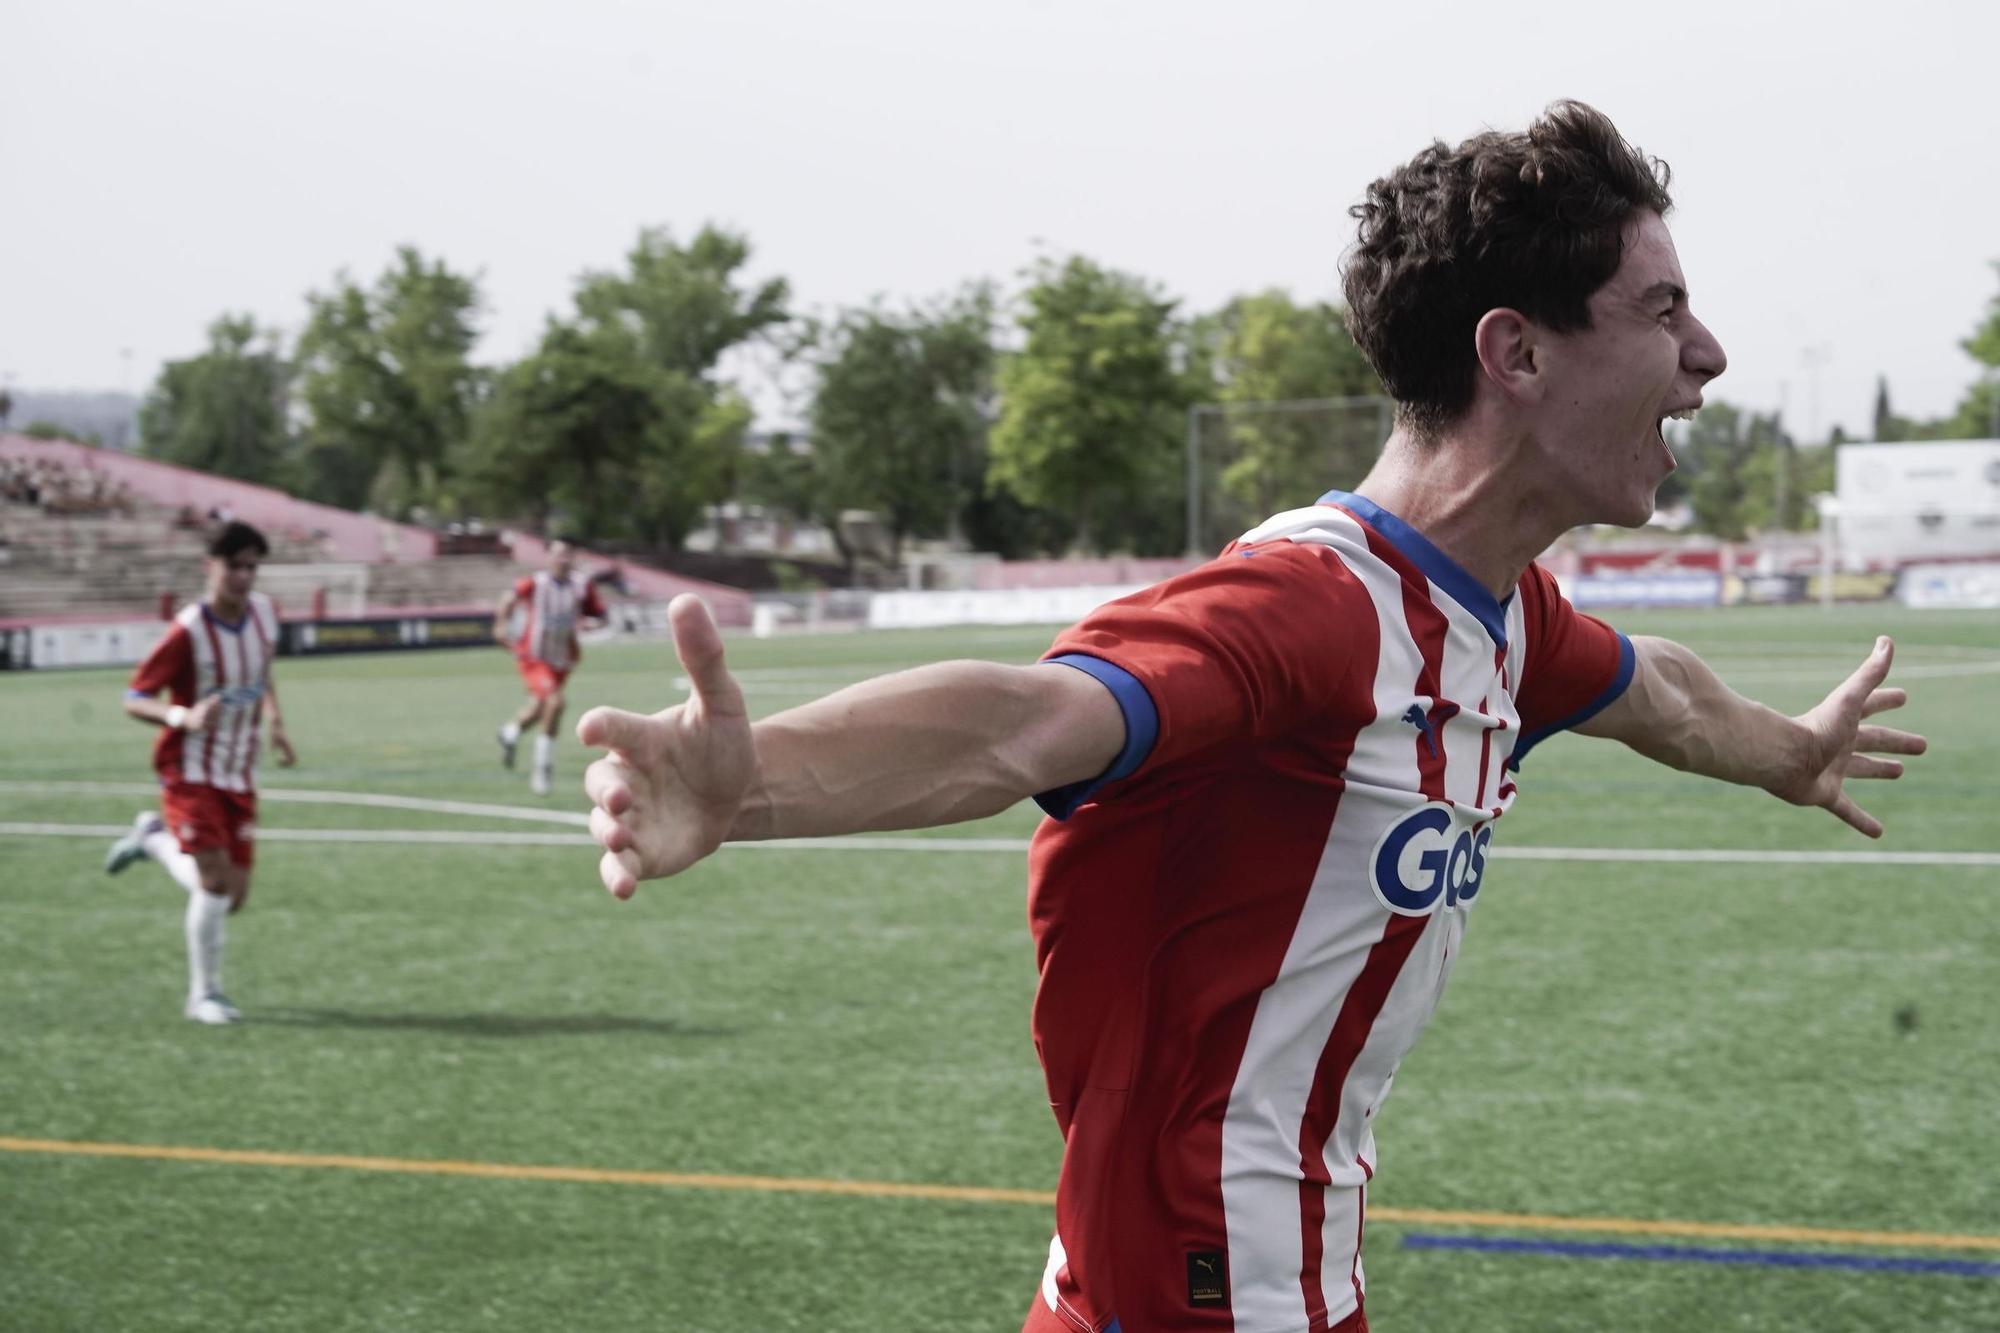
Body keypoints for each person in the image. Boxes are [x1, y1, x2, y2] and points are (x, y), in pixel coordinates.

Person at [573, 102, 1928, 1332]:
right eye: (1662, 308)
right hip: (1198, 1289)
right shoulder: (1315, 612)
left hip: (1259, 1278)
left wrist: (1789, 753)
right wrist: (749, 791)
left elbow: (1665, 694)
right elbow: (1026, 723)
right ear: (1515, 352)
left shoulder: (1506, 616)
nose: (1708, 354)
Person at [104, 520, 295, 1026]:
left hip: (239, 770)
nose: (244, 576)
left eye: (252, 567)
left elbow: (262, 672)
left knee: (232, 897)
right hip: (189, 769)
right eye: (234, 566)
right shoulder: (189, 630)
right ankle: (203, 994)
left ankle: (152, 840)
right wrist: (180, 717)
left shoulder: (266, 616)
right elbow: (134, 697)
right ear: (211, 566)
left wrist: (275, 721)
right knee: (213, 883)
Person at [493, 537, 607, 796]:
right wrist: (501, 624)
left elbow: (600, 615)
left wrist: (593, 624)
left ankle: (509, 733)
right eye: (558, 554)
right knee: (556, 702)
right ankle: (543, 767)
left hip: (562, 659)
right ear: (549, 557)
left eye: (568, 554)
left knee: (539, 709)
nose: (563, 559)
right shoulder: (536, 583)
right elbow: (508, 599)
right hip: (534, 656)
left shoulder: (581, 585)